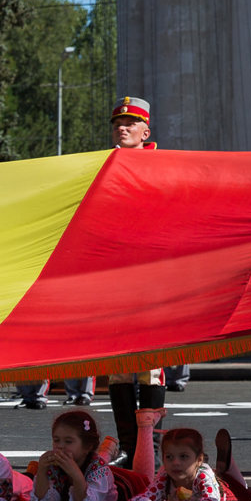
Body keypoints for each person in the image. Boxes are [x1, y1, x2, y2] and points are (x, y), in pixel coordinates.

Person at [104, 98, 165, 463]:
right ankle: (130, 449)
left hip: (152, 280)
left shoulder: (161, 165)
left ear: (146, 131)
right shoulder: (103, 166)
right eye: (117, 124)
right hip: (115, 279)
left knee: (151, 366)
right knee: (117, 369)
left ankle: (151, 450)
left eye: (130, 123)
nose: (122, 128)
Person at [124, 428, 240, 501]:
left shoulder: (202, 474)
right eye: (169, 457)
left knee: (237, 483)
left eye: (183, 456)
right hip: (206, 480)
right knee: (219, 475)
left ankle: (227, 468)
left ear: (199, 459)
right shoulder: (165, 475)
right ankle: (222, 470)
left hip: (233, 494)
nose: (175, 463)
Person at [30, 410, 119, 501]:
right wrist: (42, 472)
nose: (60, 446)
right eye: (56, 440)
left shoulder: (98, 469)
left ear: (87, 446)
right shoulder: (53, 467)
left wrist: (75, 474)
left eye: (68, 441)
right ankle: (106, 451)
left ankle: (107, 451)